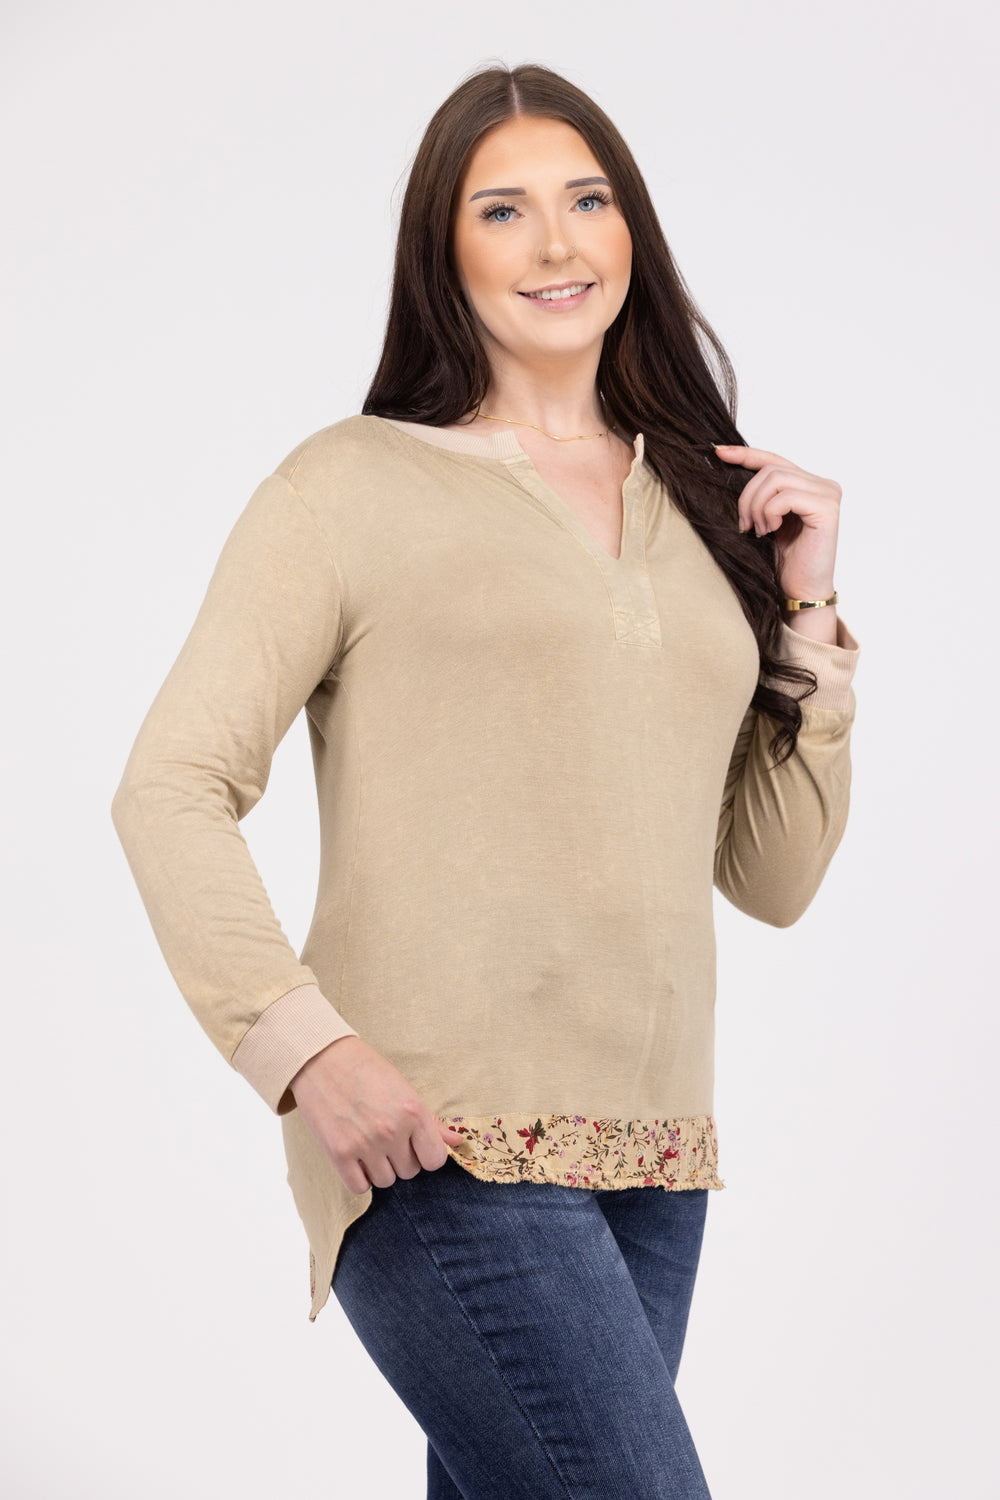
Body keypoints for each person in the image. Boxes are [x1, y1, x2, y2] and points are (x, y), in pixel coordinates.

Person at [111, 60, 861, 1500]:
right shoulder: (347, 486)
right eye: (503, 210)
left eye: (588, 200)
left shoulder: (707, 510)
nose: (557, 242)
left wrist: (810, 615)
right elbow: (169, 786)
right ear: (443, 250)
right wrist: (305, 1053)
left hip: (656, 1157)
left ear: (632, 229)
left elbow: (772, 878)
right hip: (430, 1132)